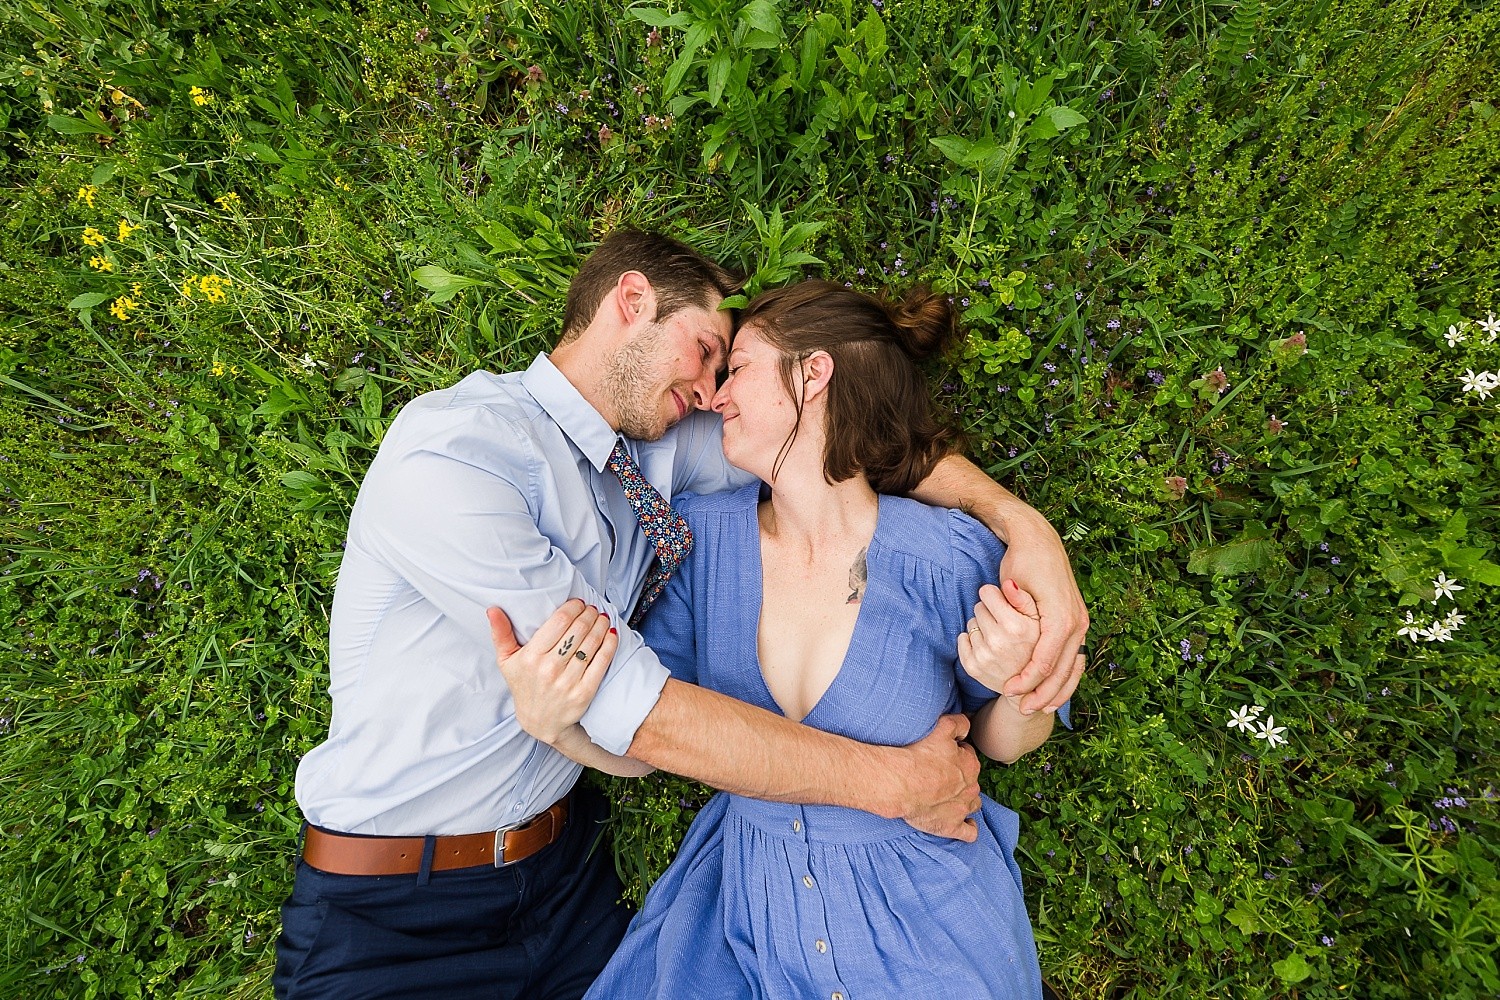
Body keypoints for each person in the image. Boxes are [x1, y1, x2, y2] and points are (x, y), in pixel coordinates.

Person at [274, 231, 1088, 999]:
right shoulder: (456, 454)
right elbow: (644, 714)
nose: (711, 389)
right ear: (631, 300)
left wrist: (1026, 529)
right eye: (706, 352)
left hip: (564, 888)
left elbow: (860, 450)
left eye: (731, 370)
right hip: (390, 906)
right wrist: (896, 782)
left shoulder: (668, 452)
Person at [500, 279, 1068, 998]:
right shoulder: (699, 542)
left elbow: (1003, 742)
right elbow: (648, 737)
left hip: (927, 930)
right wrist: (554, 727)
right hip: (746, 931)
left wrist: (1021, 682)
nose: (714, 395)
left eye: (735, 368)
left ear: (813, 373)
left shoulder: (948, 554)